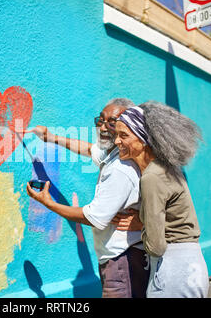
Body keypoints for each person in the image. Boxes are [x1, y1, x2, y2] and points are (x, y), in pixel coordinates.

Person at [25, 98, 150, 298]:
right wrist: (50, 137)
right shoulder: (115, 152)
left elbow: (94, 217)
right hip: (118, 258)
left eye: (112, 122)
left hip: (123, 260)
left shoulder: (121, 168)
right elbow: (87, 148)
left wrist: (48, 203)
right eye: (100, 120)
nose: (102, 127)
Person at [114, 101, 209, 298]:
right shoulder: (167, 168)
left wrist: (142, 227)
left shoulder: (152, 178)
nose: (116, 141)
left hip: (173, 269)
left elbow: (156, 247)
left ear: (143, 139)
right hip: (191, 266)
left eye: (124, 135)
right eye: (116, 135)